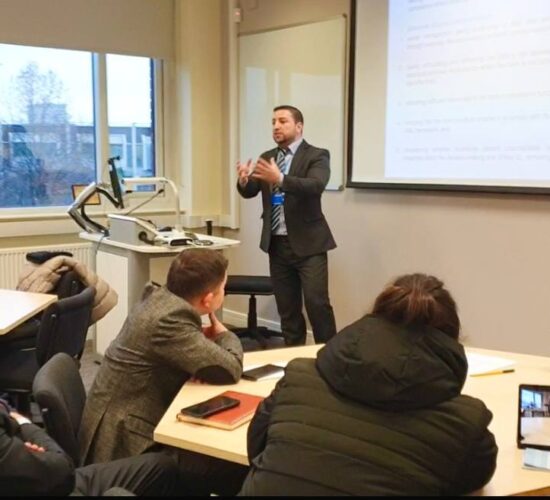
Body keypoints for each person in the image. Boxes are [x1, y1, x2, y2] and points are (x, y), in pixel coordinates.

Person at [239, 273, 498, 496]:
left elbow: (257, 446)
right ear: (450, 342)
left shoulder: (298, 376)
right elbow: (471, 480)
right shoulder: (464, 422)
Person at [79, 249, 247, 496]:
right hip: (125, 440)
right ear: (208, 299)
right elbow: (230, 369)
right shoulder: (170, 319)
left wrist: (202, 354)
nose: (225, 292)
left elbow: (203, 363)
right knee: (230, 467)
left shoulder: (160, 299)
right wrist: (224, 335)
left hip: (121, 416)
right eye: (224, 288)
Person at [236, 105, 337, 346]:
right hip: (277, 243)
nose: (276, 126)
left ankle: (329, 354)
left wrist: (280, 179)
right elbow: (251, 191)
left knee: (317, 304)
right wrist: (243, 180)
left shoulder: (317, 155)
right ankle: (292, 356)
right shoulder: (267, 157)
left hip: (309, 244)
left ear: (298, 126)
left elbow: (315, 185)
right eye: (273, 122)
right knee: (287, 309)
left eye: (283, 121)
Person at [0, 398, 178, 496]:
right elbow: (62, 470)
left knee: (161, 466)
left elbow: (4, 407)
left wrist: (18, 438)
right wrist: (24, 424)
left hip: (46, 478)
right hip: (53, 484)